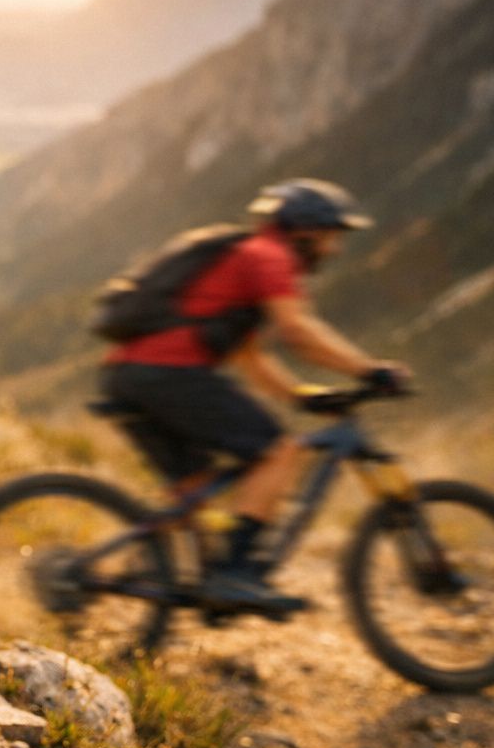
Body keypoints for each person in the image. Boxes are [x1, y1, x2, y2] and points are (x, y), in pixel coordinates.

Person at [99, 179, 409, 611]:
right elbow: (297, 332)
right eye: (331, 237)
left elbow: (252, 360)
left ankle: (145, 580)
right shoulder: (269, 256)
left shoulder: (244, 259)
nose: (334, 249)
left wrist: (303, 397)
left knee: (196, 493)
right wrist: (370, 370)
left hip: (130, 375)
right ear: (306, 230)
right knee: (278, 451)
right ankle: (235, 577)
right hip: (167, 374)